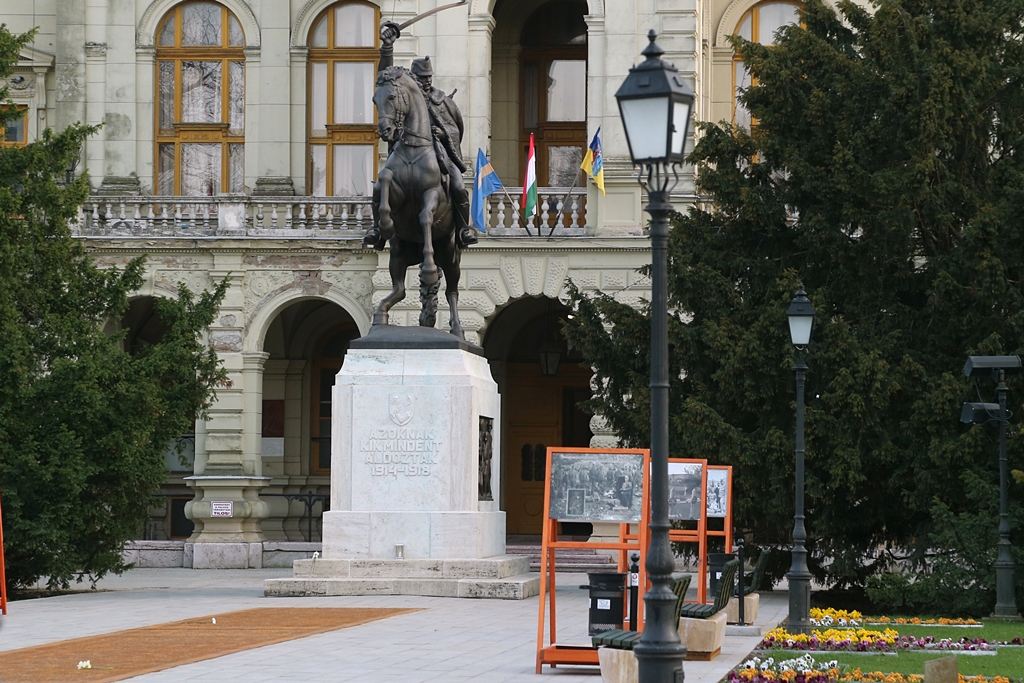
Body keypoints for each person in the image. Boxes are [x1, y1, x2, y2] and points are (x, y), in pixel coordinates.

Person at [363, 22, 476, 250]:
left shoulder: (442, 100)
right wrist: (387, 48)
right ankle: (377, 228)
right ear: (413, 78)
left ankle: (465, 228)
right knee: (382, 180)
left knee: (458, 185)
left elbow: (456, 129)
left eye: (428, 78)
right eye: (420, 78)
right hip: (405, 149)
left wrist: (443, 132)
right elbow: (384, 77)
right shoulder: (405, 96)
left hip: (438, 151)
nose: (425, 82)